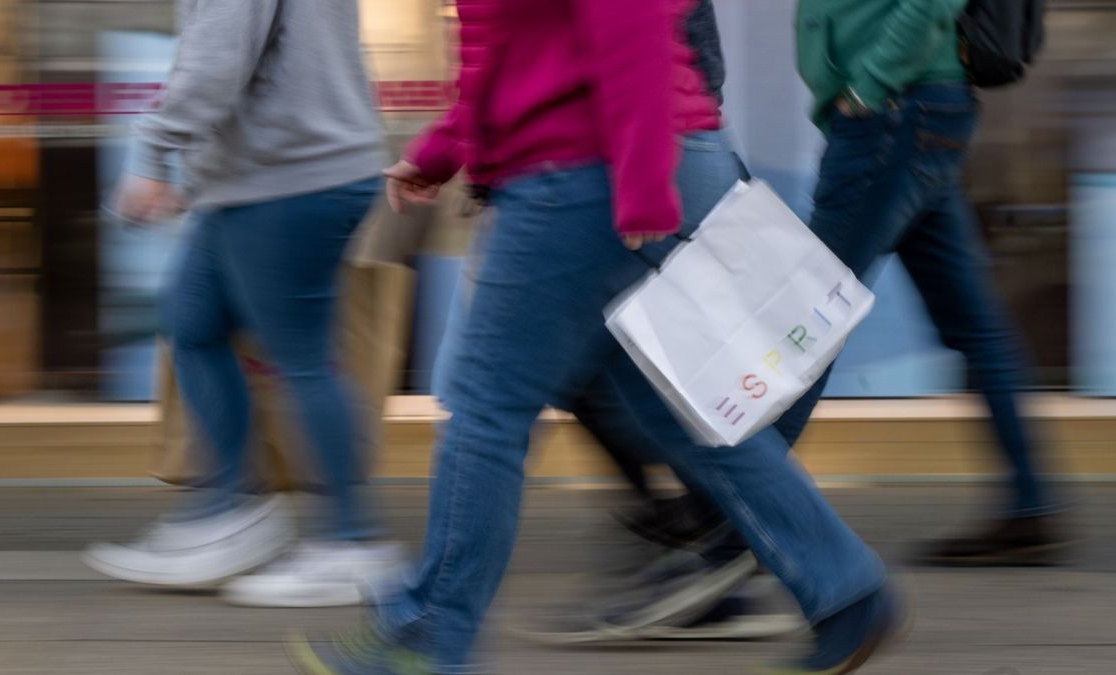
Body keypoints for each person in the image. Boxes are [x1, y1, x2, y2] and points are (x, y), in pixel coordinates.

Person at [288, 1, 905, 673]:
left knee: (487, 407)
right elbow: (515, 51)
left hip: (587, 169)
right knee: (675, 408)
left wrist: (642, 185)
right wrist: (444, 150)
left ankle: (427, 634)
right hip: (600, 160)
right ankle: (846, 591)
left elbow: (628, 18)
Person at [83, 0, 403, 608]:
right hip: (265, 174)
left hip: (291, 175)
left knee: (302, 357)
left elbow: (217, 59)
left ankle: (352, 543)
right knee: (192, 321)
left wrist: (154, 154)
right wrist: (199, 175)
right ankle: (228, 511)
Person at [790, 0, 1072, 565]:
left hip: (893, 109)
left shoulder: (885, 96)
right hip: (911, 110)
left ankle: (732, 515)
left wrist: (870, 86)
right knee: (975, 324)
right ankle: (1030, 508)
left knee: (803, 317)